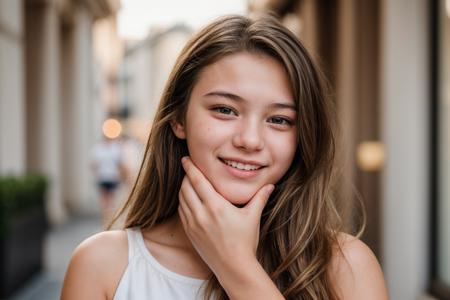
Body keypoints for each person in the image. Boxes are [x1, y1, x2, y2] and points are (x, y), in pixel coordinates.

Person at [62, 14, 388, 300]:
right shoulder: (103, 266)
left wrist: (237, 268)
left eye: (279, 119)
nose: (249, 140)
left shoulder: (347, 267)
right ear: (178, 119)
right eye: (225, 110)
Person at [91, 135, 125, 225]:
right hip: (103, 177)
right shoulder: (98, 148)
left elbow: (120, 163)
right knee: (104, 198)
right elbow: (94, 163)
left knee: (111, 198)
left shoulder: (116, 147)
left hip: (113, 177)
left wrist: (120, 175)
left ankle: (109, 218)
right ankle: (105, 218)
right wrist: (96, 174)